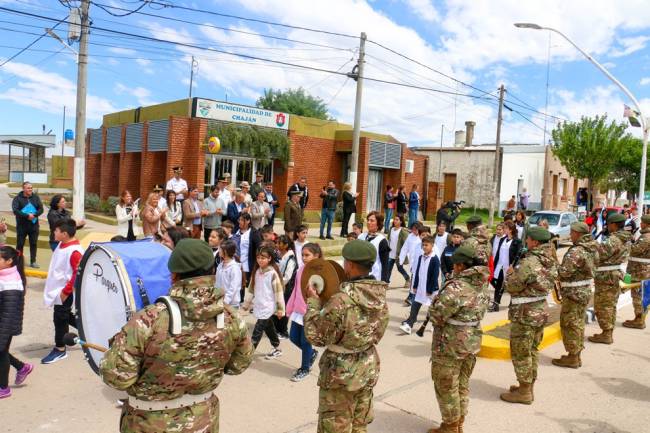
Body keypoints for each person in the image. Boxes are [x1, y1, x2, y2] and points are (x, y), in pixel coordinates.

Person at [100, 238, 253, 433]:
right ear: (212, 272)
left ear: (173, 275)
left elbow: (117, 377)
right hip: (204, 421)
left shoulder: (148, 320)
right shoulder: (232, 317)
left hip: (149, 424)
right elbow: (238, 365)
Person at [304, 240, 389, 432]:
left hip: (340, 375)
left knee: (335, 426)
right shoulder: (380, 295)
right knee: (359, 425)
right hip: (367, 366)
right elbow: (379, 332)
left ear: (349, 265)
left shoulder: (340, 300)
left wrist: (313, 304)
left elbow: (316, 337)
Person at [427, 245, 490, 433]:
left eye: (455, 265)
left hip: (450, 345)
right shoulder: (482, 283)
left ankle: (450, 426)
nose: (453, 268)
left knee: (446, 386)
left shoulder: (456, 287)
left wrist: (434, 304)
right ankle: (459, 422)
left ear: (462, 266)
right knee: (462, 385)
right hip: (471, 342)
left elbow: (436, 315)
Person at [500, 227, 558, 405]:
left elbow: (513, 287)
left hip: (525, 313)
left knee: (521, 351)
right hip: (540, 309)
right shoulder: (550, 259)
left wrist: (509, 276)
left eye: (529, 239)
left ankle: (524, 392)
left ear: (535, 242)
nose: (526, 242)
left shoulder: (530, 262)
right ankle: (527, 385)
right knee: (532, 349)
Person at [552, 222, 599, 369]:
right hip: (584, 290)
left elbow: (563, 272)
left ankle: (572, 357)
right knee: (578, 323)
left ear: (578, 234)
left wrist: (554, 264)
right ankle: (576, 355)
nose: (570, 235)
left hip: (573, 293)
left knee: (570, 324)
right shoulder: (592, 248)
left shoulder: (576, 251)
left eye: (572, 233)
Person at [41, 219, 84, 364]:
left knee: (59, 319)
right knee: (65, 316)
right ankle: (89, 329)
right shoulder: (63, 243)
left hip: (64, 292)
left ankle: (60, 349)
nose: (54, 232)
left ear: (64, 234)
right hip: (58, 290)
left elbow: (77, 274)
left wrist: (65, 291)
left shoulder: (74, 252)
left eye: (56, 231)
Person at [589, 213, 631, 344]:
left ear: (614, 225)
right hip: (613, 274)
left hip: (606, 276)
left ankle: (606, 333)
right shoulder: (625, 238)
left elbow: (599, 256)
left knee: (603, 305)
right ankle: (608, 332)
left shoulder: (613, 240)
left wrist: (593, 246)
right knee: (610, 305)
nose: (608, 226)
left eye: (609, 224)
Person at [0, 246, 33, 399]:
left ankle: (3, 388)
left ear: (9, 261)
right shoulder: (4, 275)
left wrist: (3, 332)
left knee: (1, 353)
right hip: (3, 322)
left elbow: (9, 312)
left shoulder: (11, 282)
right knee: (2, 352)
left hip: (5, 324)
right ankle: (22, 367)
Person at [241, 245, 285, 359]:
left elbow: (278, 293)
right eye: (258, 257)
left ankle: (248, 354)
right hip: (259, 305)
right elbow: (251, 289)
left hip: (268, 306)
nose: (260, 260)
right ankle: (277, 347)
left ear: (269, 259)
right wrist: (246, 304)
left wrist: (280, 309)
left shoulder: (272, 274)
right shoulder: (256, 272)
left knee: (258, 330)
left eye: (263, 258)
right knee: (269, 327)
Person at [286, 243, 321, 382]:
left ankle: (304, 368)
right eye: (302, 255)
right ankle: (311, 354)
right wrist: (289, 307)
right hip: (298, 310)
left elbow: (323, 294)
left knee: (305, 341)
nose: (304, 258)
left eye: (307, 255)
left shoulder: (320, 272)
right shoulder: (300, 270)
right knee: (293, 337)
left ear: (316, 256)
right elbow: (295, 290)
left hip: (310, 312)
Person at [400, 235, 440, 335]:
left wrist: (430, 290)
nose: (424, 247)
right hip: (420, 287)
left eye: (427, 245)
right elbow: (417, 272)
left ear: (432, 245)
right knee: (415, 305)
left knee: (433, 308)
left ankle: (434, 325)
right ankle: (409, 324)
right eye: (423, 245)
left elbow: (435, 276)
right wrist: (415, 285)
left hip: (430, 289)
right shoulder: (421, 257)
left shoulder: (434, 259)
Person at [623, 214, 650, 329]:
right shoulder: (645, 236)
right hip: (641, 270)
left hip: (640, 271)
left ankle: (639, 320)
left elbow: (635, 250)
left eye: (642, 222)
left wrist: (628, 240)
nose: (640, 224)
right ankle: (638, 318)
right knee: (639, 295)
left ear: (647, 224)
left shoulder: (646, 237)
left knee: (638, 296)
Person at [11, 182, 43, 268]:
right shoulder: (17, 199)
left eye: (31, 188)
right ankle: (18, 261)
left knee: (33, 243)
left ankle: (33, 261)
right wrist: (27, 216)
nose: (30, 189)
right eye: (28, 188)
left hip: (34, 226)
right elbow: (15, 210)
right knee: (20, 244)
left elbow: (41, 209)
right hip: (22, 226)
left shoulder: (36, 197)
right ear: (23, 189)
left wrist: (34, 215)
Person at [272, 235, 298, 342]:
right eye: (277, 243)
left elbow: (287, 276)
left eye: (280, 243)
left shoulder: (290, 259)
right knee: (275, 307)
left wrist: (277, 283)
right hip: (277, 286)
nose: (277, 245)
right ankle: (276, 329)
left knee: (283, 309)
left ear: (286, 245)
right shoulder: (278, 255)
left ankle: (283, 331)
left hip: (285, 288)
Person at [234, 213, 262, 302]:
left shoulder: (254, 233)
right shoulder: (236, 231)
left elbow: (259, 247)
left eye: (242, 220)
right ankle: (240, 300)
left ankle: (251, 301)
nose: (239, 222)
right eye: (239, 220)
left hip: (248, 263)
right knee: (238, 282)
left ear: (248, 221)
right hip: (237, 262)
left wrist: (257, 262)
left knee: (248, 283)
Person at [358, 211, 390, 282]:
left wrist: (384, 281)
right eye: (368, 220)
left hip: (374, 278)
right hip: (359, 276)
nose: (369, 222)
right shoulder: (361, 237)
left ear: (378, 224)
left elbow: (385, 264)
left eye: (372, 221)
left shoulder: (382, 240)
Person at [216, 239, 243, 308]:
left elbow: (233, 287)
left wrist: (226, 301)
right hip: (220, 301)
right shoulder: (220, 265)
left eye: (220, 249)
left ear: (226, 252)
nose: (218, 250)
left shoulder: (234, 268)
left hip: (231, 304)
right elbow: (217, 282)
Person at [388, 214, 411, 286]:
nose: (395, 221)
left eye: (397, 220)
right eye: (394, 219)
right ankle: (386, 283)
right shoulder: (391, 229)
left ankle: (407, 279)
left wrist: (404, 254)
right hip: (390, 253)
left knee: (400, 268)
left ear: (401, 221)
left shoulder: (403, 231)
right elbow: (389, 240)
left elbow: (406, 243)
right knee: (388, 269)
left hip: (398, 254)